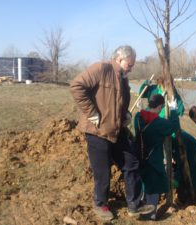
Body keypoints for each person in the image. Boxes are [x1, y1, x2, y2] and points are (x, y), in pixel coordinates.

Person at [70, 45, 154, 221]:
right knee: (102, 172)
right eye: (129, 64)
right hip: (97, 130)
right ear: (119, 58)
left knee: (131, 164)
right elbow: (77, 86)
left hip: (117, 130)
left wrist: (126, 115)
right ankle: (100, 204)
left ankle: (134, 205)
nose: (130, 68)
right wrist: (91, 112)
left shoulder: (123, 79)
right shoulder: (102, 68)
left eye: (132, 66)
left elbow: (121, 104)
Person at [133, 94, 180, 220]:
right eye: (162, 107)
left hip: (140, 157)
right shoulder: (159, 123)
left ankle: (141, 205)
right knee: (153, 188)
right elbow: (174, 127)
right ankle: (151, 215)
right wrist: (174, 110)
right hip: (153, 160)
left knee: (144, 182)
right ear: (159, 106)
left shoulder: (138, 117)